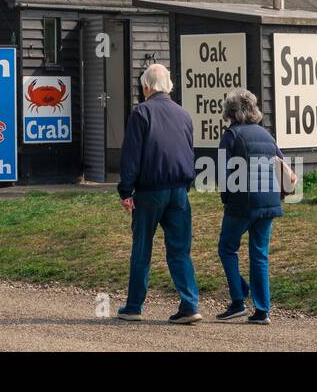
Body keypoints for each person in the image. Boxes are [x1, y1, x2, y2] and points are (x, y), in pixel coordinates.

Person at [116, 63, 201, 324]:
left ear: (146, 87)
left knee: (142, 248)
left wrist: (126, 191)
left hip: (150, 191)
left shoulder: (141, 113)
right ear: (169, 86)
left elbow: (131, 157)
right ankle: (189, 305)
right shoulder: (184, 114)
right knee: (179, 250)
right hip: (179, 190)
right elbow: (189, 151)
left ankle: (134, 306)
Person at [215, 88, 285, 325]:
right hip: (270, 202)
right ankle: (262, 310)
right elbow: (281, 164)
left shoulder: (231, 135)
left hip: (242, 202)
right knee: (259, 254)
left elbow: (224, 175)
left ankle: (238, 300)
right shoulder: (267, 135)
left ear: (230, 111)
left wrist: (226, 200)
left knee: (227, 248)